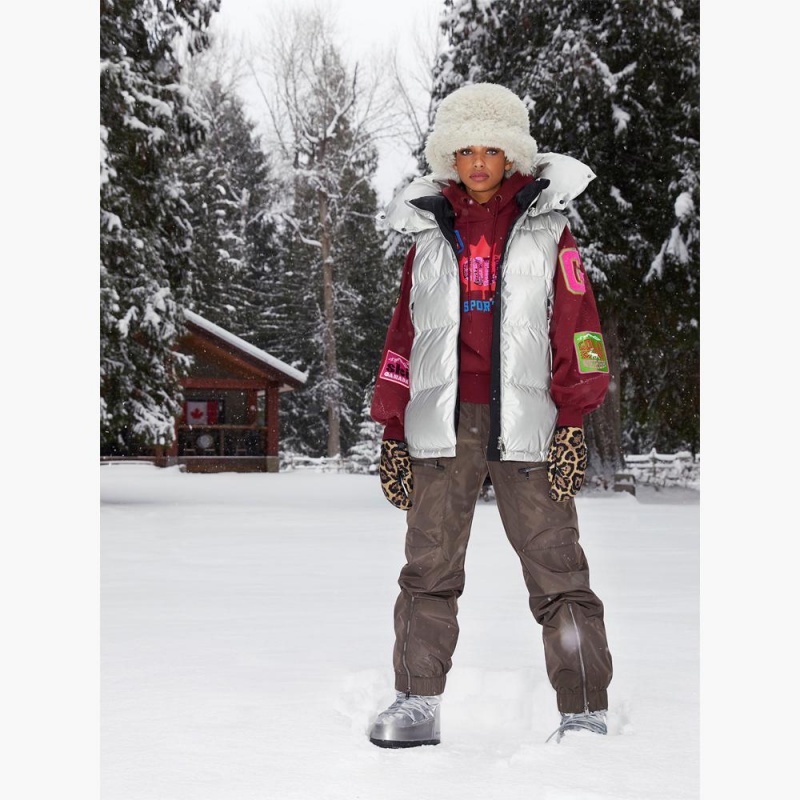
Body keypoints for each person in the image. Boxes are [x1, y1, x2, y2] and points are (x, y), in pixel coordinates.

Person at [367, 83, 613, 748]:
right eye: (465, 149)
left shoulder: (547, 227)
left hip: (527, 422)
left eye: (492, 148)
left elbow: (578, 327)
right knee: (428, 567)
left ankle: (584, 707)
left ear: (513, 155)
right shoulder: (427, 234)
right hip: (443, 423)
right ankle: (417, 700)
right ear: (450, 156)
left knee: (557, 568)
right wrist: (394, 425)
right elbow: (403, 334)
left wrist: (571, 421)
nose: (478, 161)